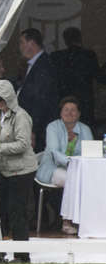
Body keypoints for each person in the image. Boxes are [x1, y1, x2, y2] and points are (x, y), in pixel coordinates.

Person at [0, 80, 38, 263]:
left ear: (10, 98)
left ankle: (22, 256)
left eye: (2, 100)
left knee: (17, 212)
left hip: (22, 171)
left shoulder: (21, 116)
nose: (0, 104)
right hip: (4, 170)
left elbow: (23, 144)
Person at [37, 96, 93, 235]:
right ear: (61, 113)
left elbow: (90, 151)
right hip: (52, 169)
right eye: (66, 110)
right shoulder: (53, 127)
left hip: (79, 170)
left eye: (73, 110)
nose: (69, 113)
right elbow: (54, 152)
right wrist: (71, 162)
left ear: (79, 114)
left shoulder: (85, 129)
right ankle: (67, 222)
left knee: (92, 181)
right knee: (71, 179)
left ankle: (89, 221)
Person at [50, 27, 106, 128]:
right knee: (86, 135)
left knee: (65, 135)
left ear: (65, 40)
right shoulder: (88, 55)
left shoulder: (56, 57)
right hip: (84, 105)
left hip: (64, 103)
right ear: (80, 38)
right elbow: (100, 77)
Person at [16, 28, 59, 152]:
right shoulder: (34, 65)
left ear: (32, 43)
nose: (20, 47)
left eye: (21, 42)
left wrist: (32, 130)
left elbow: (40, 101)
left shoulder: (44, 66)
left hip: (39, 130)